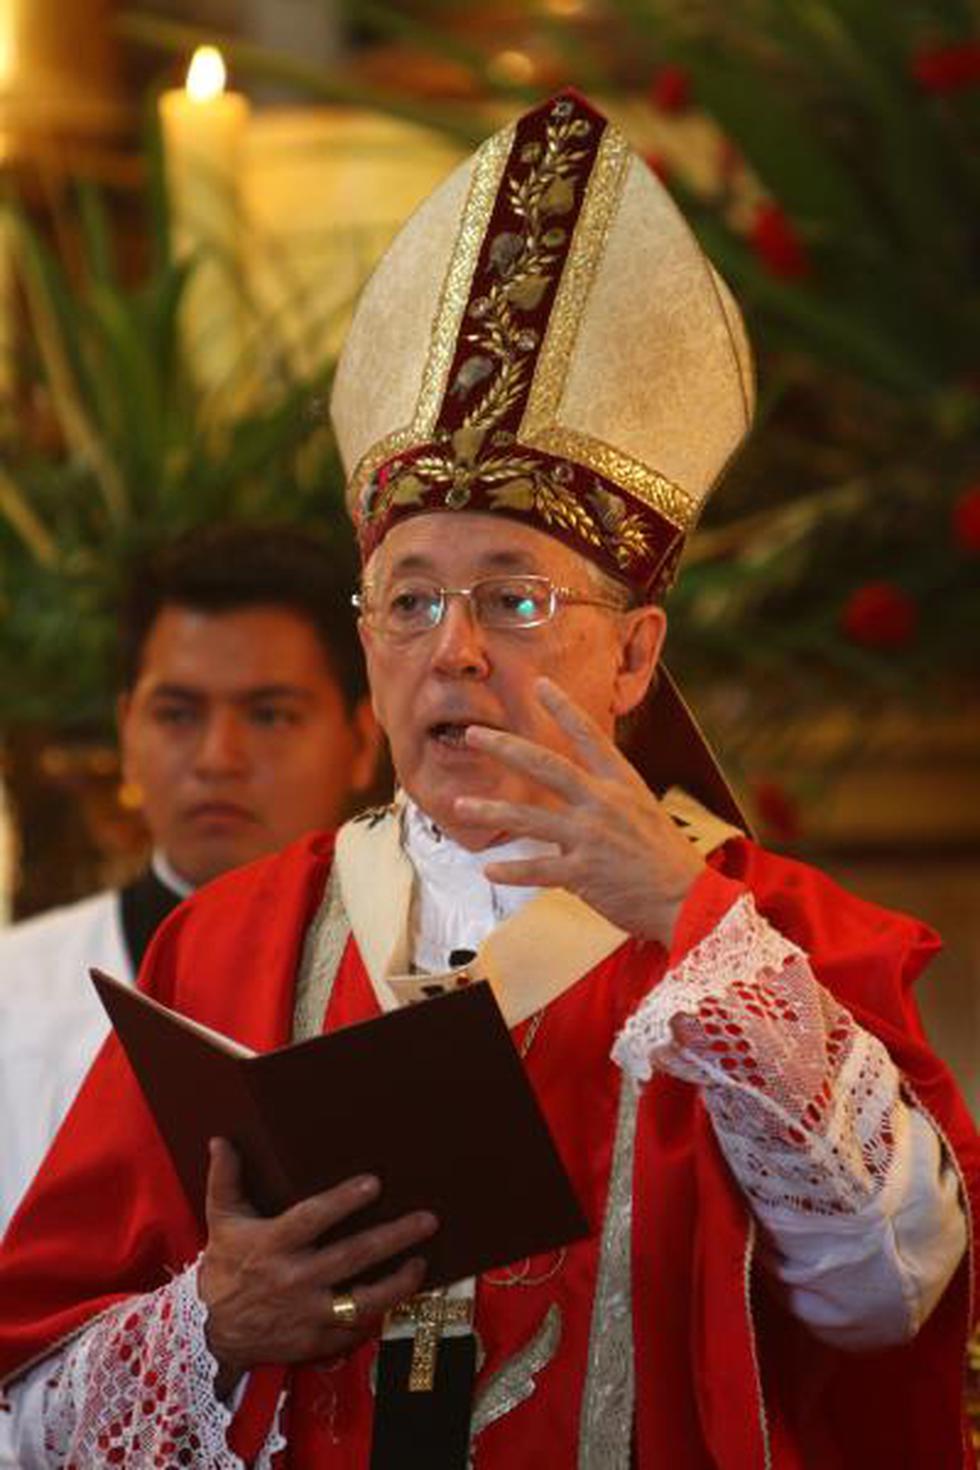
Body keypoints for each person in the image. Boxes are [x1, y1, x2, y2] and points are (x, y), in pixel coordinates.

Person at [0, 92, 976, 1470]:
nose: (451, 650)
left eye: (514, 600)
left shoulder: (773, 952)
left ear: (635, 654)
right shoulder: (227, 941)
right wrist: (217, 1323)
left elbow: (890, 1300)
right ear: (364, 641)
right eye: (408, 602)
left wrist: (683, 917)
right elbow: (25, 1411)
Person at [0, 523, 381, 1234]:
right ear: (125, 734)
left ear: (364, 740)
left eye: (270, 714)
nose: (217, 757)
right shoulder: (13, 1000)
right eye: (177, 714)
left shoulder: (408, 981)